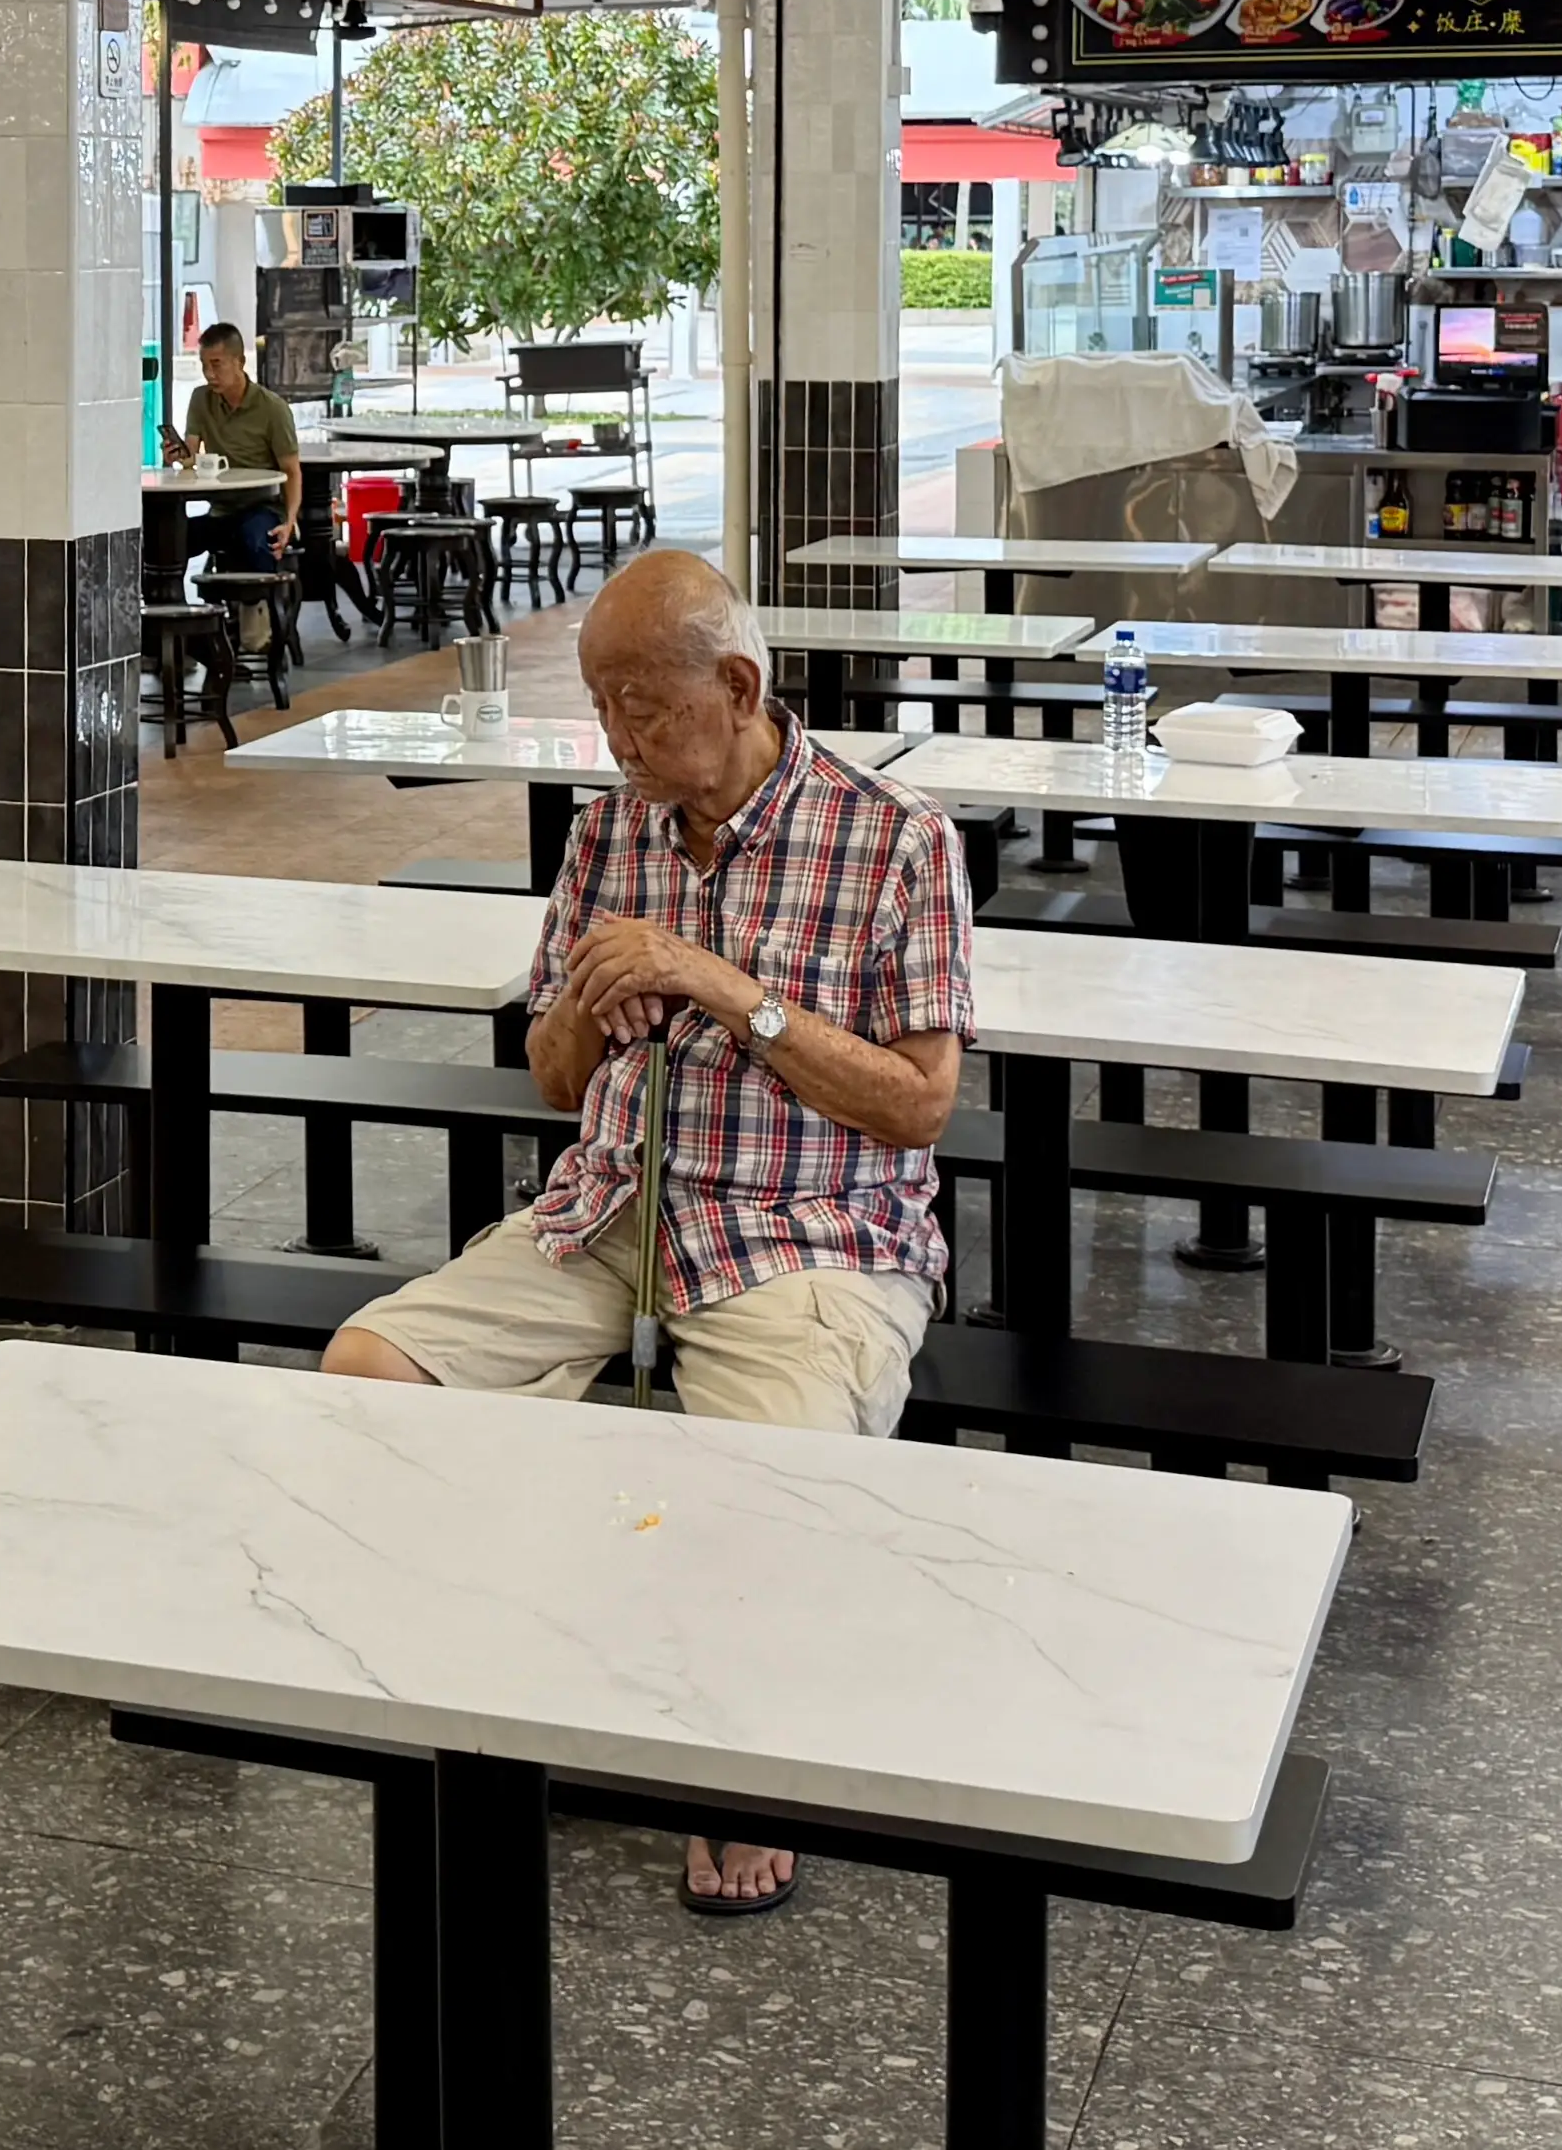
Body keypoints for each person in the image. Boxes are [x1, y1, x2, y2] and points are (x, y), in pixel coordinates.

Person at [323, 548, 969, 1921]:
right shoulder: (609, 832)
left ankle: (734, 1766)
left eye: (641, 708)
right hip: (610, 1206)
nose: (617, 740)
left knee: (764, 1477)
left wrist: (730, 994)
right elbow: (555, 1084)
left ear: (736, 687)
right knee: (367, 1378)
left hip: (806, 1228)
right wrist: (577, 1014)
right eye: (601, 706)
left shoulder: (896, 840)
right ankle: (522, 1676)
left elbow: (917, 1106)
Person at [163, 321, 303, 580]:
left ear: (239, 362)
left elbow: (291, 471)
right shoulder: (201, 400)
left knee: (256, 541)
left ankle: (263, 613)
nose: (209, 373)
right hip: (221, 510)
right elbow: (190, 456)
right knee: (166, 542)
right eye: (204, 365)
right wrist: (177, 456)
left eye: (216, 364)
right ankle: (171, 609)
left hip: (264, 506)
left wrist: (290, 522)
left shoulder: (272, 409)